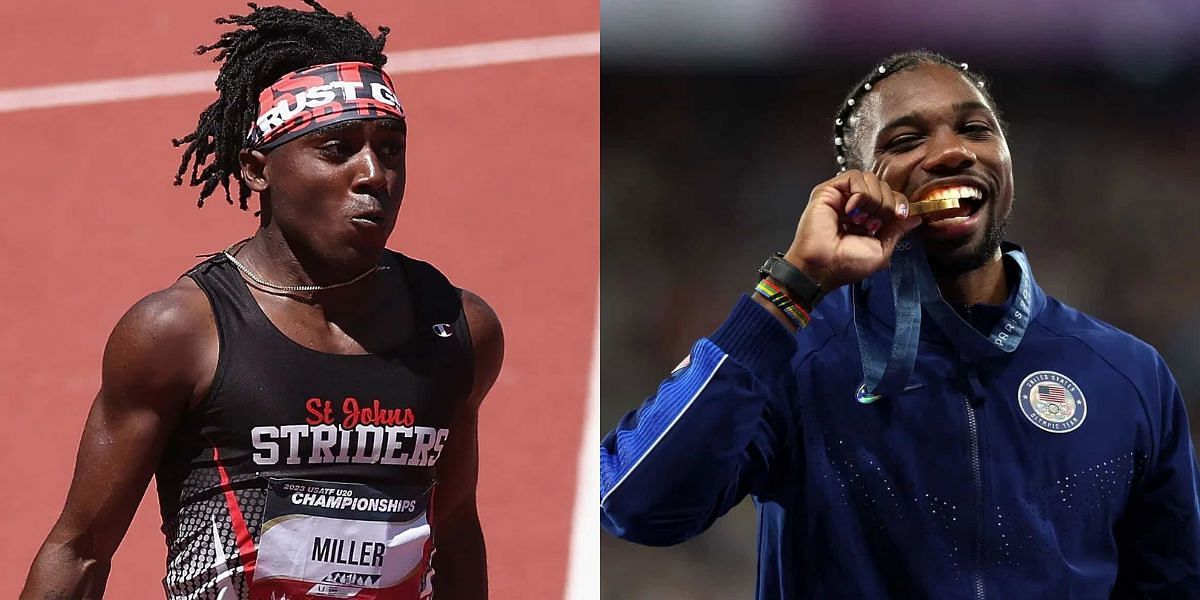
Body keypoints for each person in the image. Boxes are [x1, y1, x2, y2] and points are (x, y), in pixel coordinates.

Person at [600, 50, 1200, 598]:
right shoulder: (796, 354)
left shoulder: (1128, 373)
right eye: (907, 138)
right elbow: (638, 505)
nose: (951, 152)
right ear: (859, 185)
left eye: (975, 128)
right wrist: (791, 286)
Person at [21, 2, 502, 598]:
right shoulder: (180, 333)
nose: (374, 174)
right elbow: (80, 553)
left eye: (391, 148)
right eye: (337, 149)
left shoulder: (457, 328)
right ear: (256, 169)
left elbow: (455, 532)